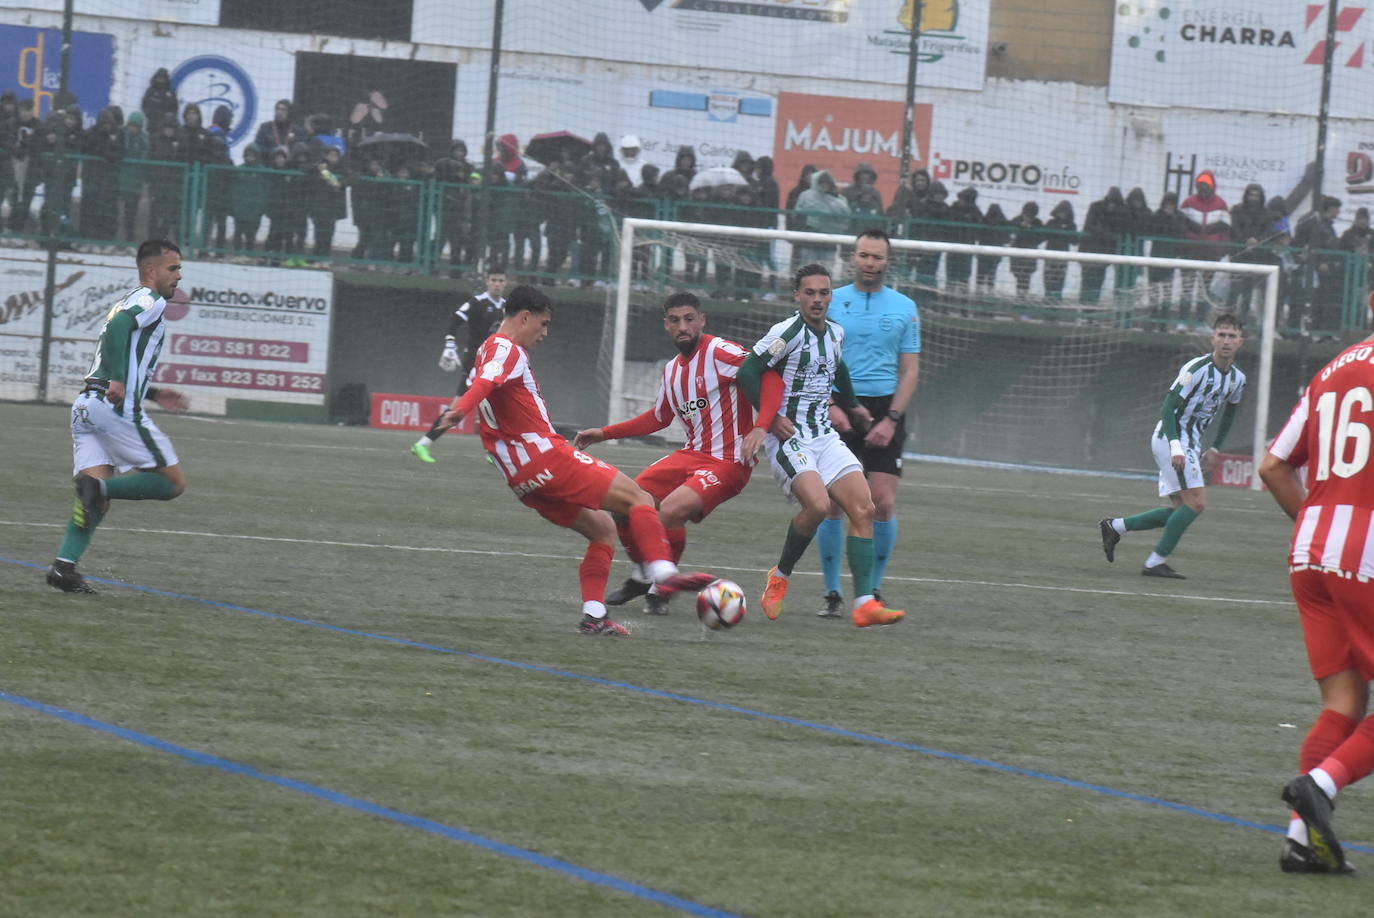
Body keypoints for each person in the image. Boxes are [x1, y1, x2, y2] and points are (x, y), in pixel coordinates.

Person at [438, 285, 716, 635]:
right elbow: (485, 384)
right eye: (543, 324)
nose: (545, 332)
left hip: (521, 480)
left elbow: (483, 384)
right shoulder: (508, 349)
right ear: (525, 317)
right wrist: (459, 409)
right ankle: (663, 574)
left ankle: (594, 617)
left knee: (602, 530)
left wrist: (461, 408)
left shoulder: (485, 349)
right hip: (545, 458)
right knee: (639, 499)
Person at [1257, 291, 1374, 875]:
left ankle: (1301, 843)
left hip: (1310, 547)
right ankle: (1321, 787)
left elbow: (1272, 465)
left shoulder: (1332, 368)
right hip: (1367, 551)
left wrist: (1317, 530)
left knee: (1344, 702)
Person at [573, 292, 777, 613]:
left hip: (729, 460)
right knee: (624, 503)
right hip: (691, 455)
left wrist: (762, 425)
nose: (683, 326)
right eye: (675, 320)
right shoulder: (671, 370)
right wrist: (604, 433)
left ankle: (661, 588)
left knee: (669, 510)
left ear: (701, 320)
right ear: (665, 324)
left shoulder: (720, 352)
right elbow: (659, 417)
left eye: (689, 319)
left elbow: (767, 373)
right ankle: (643, 574)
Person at [739, 263, 906, 628]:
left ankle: (864, 603)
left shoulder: (835, 333)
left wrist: (854, 404)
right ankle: (780, 575)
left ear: (832, 295)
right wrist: (769, 420)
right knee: (817, 506)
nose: (817, 300)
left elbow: (838, 370)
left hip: (825, 435)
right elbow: (748, 371)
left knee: (864, 507)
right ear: (796, 295)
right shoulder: (786, 332)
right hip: (790, 437)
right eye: (810, 293)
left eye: (824, 292)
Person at [46, 240, 190, 594]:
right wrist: (121, 381)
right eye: (173, 268)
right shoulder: (149, 300)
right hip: (112, 408)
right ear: (151, 271)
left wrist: (153, 392)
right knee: (172, 484)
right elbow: (117, 330)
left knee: (94, 502)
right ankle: (98, 487)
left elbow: (118, 342)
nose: (179, 276)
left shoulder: (128, 300)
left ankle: (63, 568)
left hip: (86, 407)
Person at [814, 229, 920, 617]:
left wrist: (891, 419)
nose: (869, 263)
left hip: (885, 408)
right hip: (839, 405)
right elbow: (812, 358)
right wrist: (828, 404)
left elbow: (910, 371)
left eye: (877, 257)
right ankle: (832, 593)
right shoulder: (832, 301)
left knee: (882, 504)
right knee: (830, 504)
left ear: (888, 261)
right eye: (863, 255)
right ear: (853, 257)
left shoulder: (905, 307)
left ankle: (872, 589)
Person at [1098, 313, 1246, 579]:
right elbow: (1168, 406)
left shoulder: (1236, 379)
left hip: (1189, 442)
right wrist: (1177, 447)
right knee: (1197, 503)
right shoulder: (1196, 369)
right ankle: (1154, 563)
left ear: (1240, 342)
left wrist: (1215, 447)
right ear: (1213, 338)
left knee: (1181, 510)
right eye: (1221, 335)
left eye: (1232, 336)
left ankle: (1115, 526)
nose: (1226, 341)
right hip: (1171, 437)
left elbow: (1231, 412)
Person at [411, 271, 507, 463]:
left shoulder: (506, 307)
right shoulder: (476, 303)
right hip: (474, 363)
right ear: (487, 282)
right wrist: (449, 344)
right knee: (459, 408)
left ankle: (494, 452)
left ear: (506, 283)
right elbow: (455, 321)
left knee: (499, 406)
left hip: (493, 364)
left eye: (501, 281)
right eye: (494, 280)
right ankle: (422, 444)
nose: (497, 284)